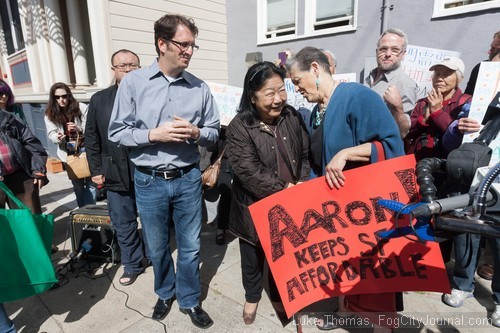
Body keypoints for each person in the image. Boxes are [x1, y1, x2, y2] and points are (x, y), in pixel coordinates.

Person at [108, 14, 219, 329]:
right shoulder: (133, 83)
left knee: (191, 246)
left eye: (192, 45)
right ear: (162, 43)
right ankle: (164, 292)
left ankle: (189, 300)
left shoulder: (199, 87)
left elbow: (213, 131)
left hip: (188, 178)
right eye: (183, 44)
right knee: (157, 247)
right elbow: (116, 133)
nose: (189, 51)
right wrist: (152, 135)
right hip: (149, 181)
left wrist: (197, 133)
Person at [288, 46, 404, 331]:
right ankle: (343, 312)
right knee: (343, 269)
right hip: (339, 212)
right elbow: (323, 161)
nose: (297, 90)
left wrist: (348, 154)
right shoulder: (319, 110)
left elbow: (393, 148)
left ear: (315, 69)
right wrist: (305, 186)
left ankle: (383, 328)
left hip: (369, 212)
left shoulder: (359, 96)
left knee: (375, 279)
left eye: (297, 82)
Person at [226, 61, 310, 325]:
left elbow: (305, 154)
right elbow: (247, 171)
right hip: (253, 207)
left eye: (281, 90)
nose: (278, 99)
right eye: (269, 93)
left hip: (290, 204)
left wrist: (303, 182)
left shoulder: (292, 115)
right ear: (252, 96)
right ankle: (252, 297)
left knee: (283, 259)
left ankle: (280, 297)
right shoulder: (240, 126)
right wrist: (285, 189)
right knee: (252, 259)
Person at [85, 49, 149, 286]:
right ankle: (132, 265)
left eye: (133, 65)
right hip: (113, 171)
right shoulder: (99, 99)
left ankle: (152, 256)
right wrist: (95, 169)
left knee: (153, 220)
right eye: (123, 66)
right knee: (123, 222)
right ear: (113, 70)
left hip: (145, 170)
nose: (128, 69)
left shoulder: (149, 96)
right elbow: (91, 137)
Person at [405, 56, 471, 162]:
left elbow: (458, 134)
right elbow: (408, 131)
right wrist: (423, 120)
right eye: (437, 74)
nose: (440, 78)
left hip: (445, 165)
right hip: (416, 161)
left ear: (459, 79)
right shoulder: (423, 102)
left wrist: (437, 113)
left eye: (446, 74)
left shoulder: (465, 103)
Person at [44, 82, 96, 208]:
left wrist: (78, 128)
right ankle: (83, 212)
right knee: (78, 187)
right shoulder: (50, 114)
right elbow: (51, 133)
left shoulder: (81, 107)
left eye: (64, 96)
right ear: (53, 98)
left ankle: (91, 212)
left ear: (69, 95)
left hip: (86, 148)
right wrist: (58, 137)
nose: (61, 100)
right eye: (57, 97)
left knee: (92, 184)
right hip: (68, 152)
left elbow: (90, 126)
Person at [365, 28, 418, 138]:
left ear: (403, 54)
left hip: (380, 151)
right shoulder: (368, 78)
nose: (388, 54)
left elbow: (403, 133)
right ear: (376, 52)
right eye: (383, 49)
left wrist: (397, 108)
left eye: (394, 50)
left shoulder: (405, 84)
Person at [0, 98, 48, 214]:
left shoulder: (8, 119)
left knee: (30, 218)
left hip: (20, 175)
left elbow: (32, 143)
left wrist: (38, 170)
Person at [464, 31, 500, 95]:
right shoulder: (481, 67)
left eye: (494, 48)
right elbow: (467, 97)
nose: (489, 52)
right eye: (491, 47)